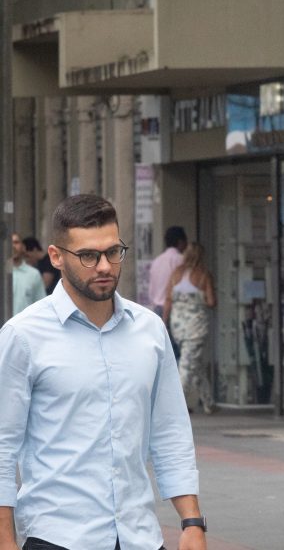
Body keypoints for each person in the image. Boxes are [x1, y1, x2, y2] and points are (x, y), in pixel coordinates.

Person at [0, 194, 207, 550]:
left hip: (138, 537)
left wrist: (191, 522)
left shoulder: (150, 331)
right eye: (88, 256)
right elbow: (3, 446)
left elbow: (170, 429)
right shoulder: (23, 336)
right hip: (58, 537)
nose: (105, 267)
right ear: (56, 257)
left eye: (113, 252)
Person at [163, 242, 217, 415]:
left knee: (196, 364)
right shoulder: (203, 275)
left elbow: (168, 299)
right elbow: (211, 301)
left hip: (177, 325)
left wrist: (164, 322)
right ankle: (174, 407)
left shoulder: (175, 274)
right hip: (196, 327)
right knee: (186, 366)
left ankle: (208, 402)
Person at [148, 226, 187, 318]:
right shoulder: (180, 260)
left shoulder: (157, 261)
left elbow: (151, 289)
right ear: (180, 242)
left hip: (157, 308)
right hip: (173, 308)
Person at [9, 234, 46, 317]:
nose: (12, 246)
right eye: (9, 242)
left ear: (23, 247)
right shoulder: (3, 274)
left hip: (24, 328)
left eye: (16, 242)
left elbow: (41, 306)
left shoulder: (34, 274)